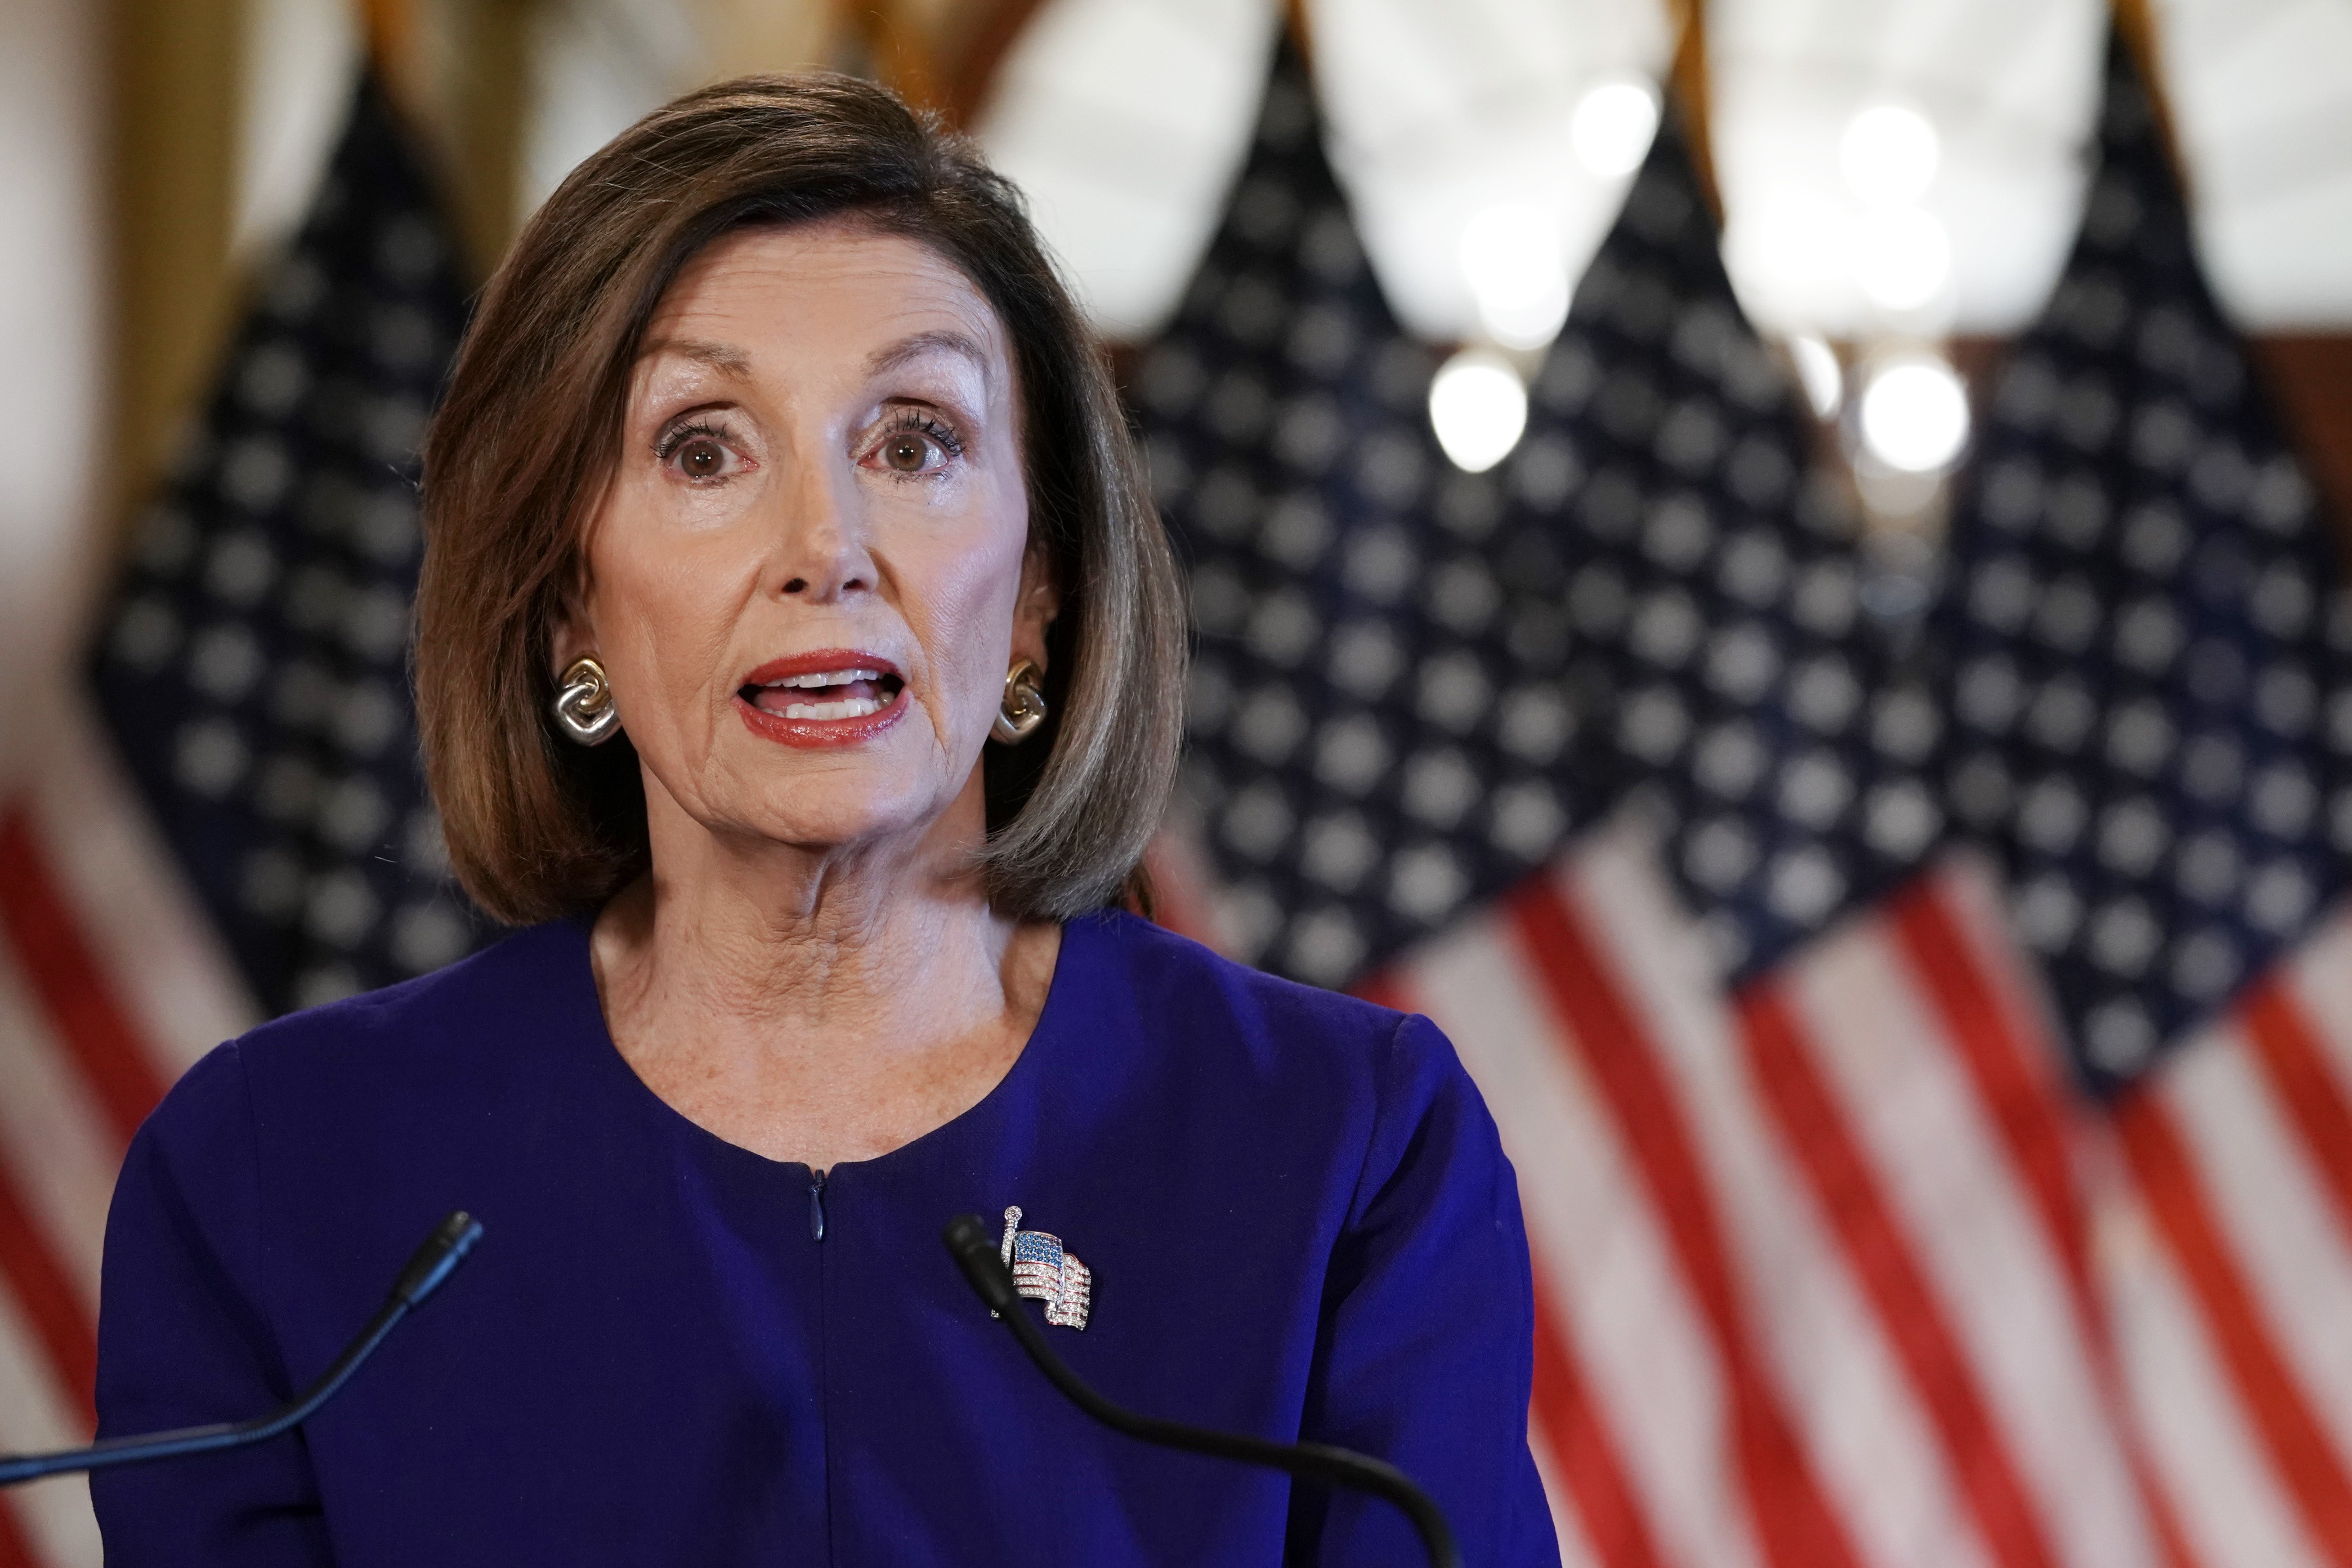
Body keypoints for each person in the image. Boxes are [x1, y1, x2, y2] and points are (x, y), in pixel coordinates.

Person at [92, 73, 1560, 1566]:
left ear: (1042, 589)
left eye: (914, 443)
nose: (825, 549)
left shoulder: (1339, 1149)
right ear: (563, 607)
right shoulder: (278, 1172)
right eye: (704, 447)